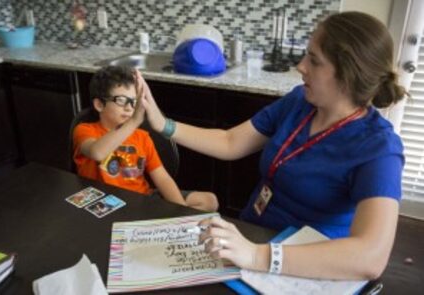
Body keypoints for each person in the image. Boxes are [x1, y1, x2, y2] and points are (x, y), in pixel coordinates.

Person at [138, 11, 407, 280]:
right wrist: (163, 125)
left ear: (348, 75)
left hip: (305, 265)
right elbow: (230, 142)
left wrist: (258, 256)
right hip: (253, 236)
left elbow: (371, 257)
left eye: (314, 60)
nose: (301, 66)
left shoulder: (379, 148)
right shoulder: (299, 102)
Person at [73, 66, 218, 212]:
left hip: (142, 199)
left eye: (134, 101)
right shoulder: (85, 130)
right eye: (121, 100)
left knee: (209, 200)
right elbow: (97, 153)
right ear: (99, 104)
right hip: (105, 203)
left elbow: (162, 179)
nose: (130, 108)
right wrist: (134, 121)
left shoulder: (143, 137)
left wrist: (181, 211)